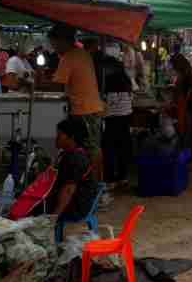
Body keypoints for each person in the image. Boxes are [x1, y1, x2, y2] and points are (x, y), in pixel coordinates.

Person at [48, 25, 105, 181]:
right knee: (94, 148)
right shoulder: (82, 53)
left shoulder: (69, 57)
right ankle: (97, 186)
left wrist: (30, 84)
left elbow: (57, 84)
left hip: (83, 109)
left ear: (62, 41)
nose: (53, 47)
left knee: (91, 149)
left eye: (54, 43)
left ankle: (95, 187)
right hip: (92, 107)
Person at [50, 117, 99, 229]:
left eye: (60, 134)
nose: (56, 137)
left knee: (34, 210)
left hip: (76, 207)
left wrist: (53, 217)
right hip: (77, 200)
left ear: (71, 137)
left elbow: (68, 190)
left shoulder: (75, 159)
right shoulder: (70, 154)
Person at [101, 57, 134, 190]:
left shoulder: (107, 81)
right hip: (125, 118)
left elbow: (104, 103)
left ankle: (110, 179)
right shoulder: (126, 81)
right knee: (123, 148)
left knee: (109, 148)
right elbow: (131, 97)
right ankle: (122, 177)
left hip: (111, 119)